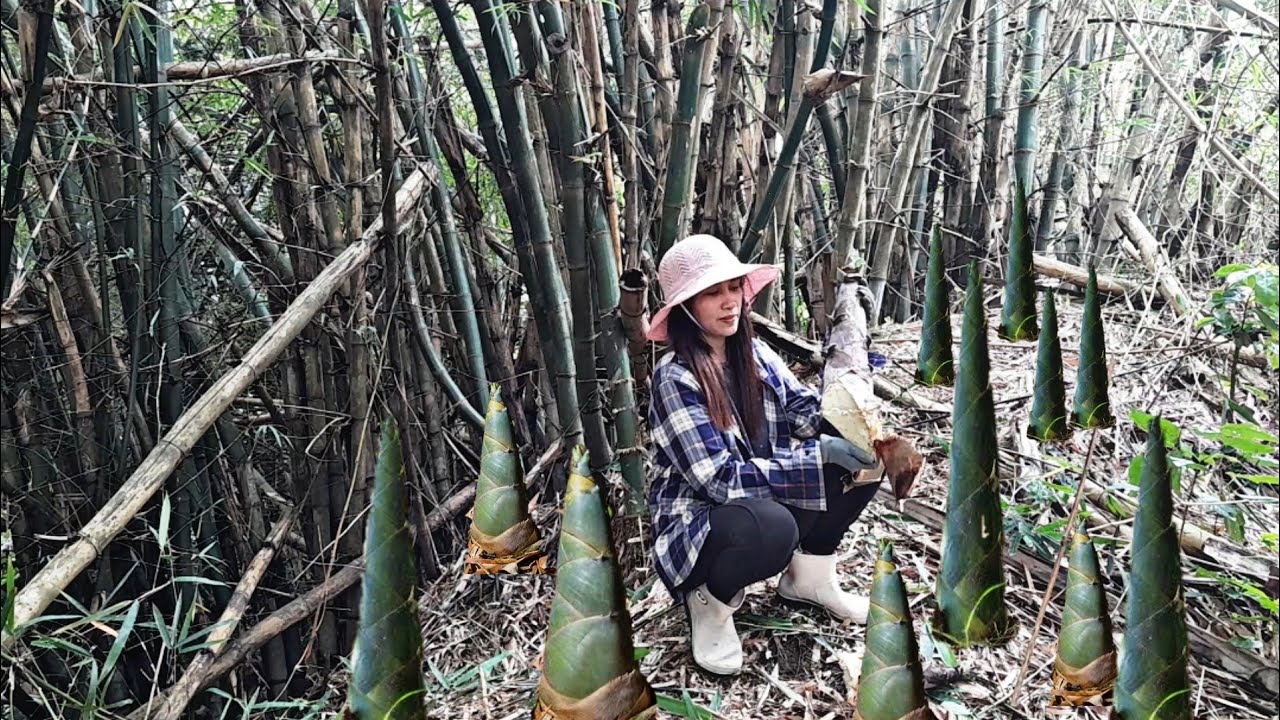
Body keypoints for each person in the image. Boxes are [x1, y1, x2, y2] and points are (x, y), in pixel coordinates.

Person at [645, 234, 882, 676]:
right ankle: (710, 601)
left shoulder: (754, 352)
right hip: (700, 522)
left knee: (866, 457)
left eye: (733, 287)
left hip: (757, 494)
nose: (729, 301)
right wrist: (819, 455)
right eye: (712, 293)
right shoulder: (674, 378)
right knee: (772, 526)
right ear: (685, 309)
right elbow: (718, 480)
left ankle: (809, 577)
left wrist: (853, 419)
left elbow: (803, 411)